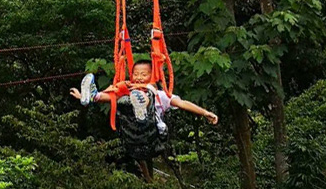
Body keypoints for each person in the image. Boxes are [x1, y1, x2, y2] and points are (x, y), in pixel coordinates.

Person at [69, 60, 218, 178]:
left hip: (152, 138)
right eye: (136, 74)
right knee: (119, 97)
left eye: (144, 74)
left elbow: (183, 103)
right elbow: (112, 99)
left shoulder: (161, 95)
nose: (139, 78)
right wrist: (83, 97)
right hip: (131, 137)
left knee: (144, 96)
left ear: (153, 77)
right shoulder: (129, 90)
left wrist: (205, 113)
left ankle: (142, 109)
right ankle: (94, 95)